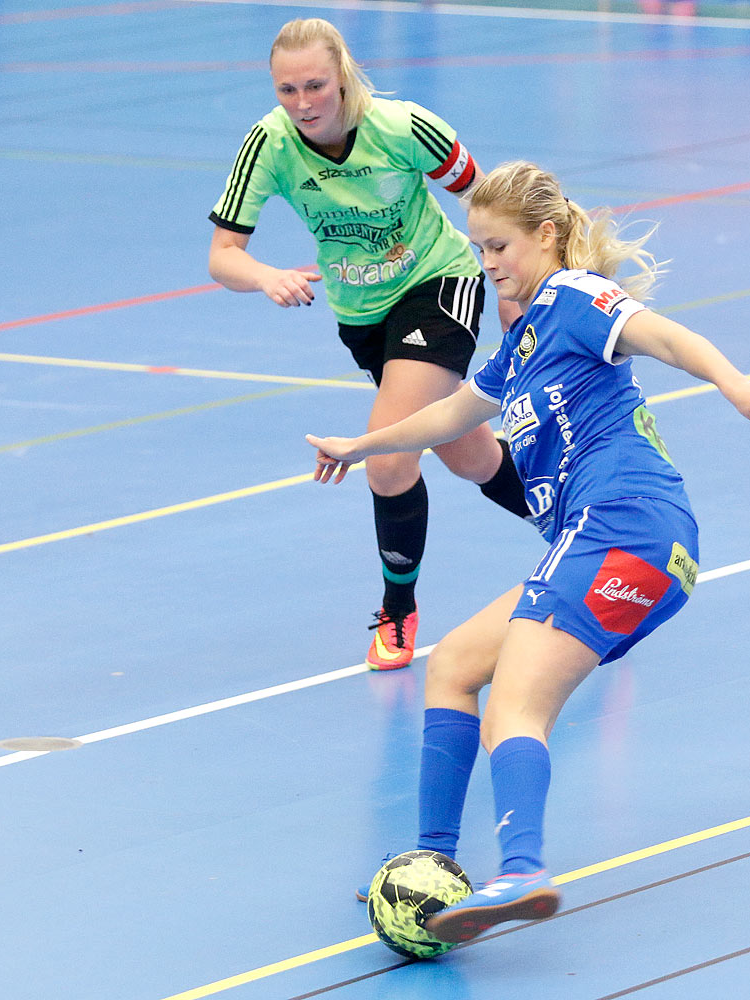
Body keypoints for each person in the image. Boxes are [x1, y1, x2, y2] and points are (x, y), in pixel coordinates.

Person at [307, 161, 750, 943]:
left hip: (624, 530)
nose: (489, 263)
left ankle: (523, 869)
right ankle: (433, 862)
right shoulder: (522, 348)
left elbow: (666, 335)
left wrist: (733, 384)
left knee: (517, 700)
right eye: (478, 249)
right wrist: (361, 442)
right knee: (454, 665)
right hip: (609, 544)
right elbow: (444, 420)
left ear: (545, 235)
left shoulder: (576, 299)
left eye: (500, 245)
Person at [207, 18, 531, 672]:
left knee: (387, 459)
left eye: (316, 86)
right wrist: (264, 275)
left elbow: (492, 205)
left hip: (439, 286)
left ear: (344, 76)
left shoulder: (404, 127)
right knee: (466, 455)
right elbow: (222, 256)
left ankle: (398, 610)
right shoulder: (268, 144)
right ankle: (585, 530)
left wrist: (511, 288)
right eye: (288, 89)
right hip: (361, 315)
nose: (303, 103)